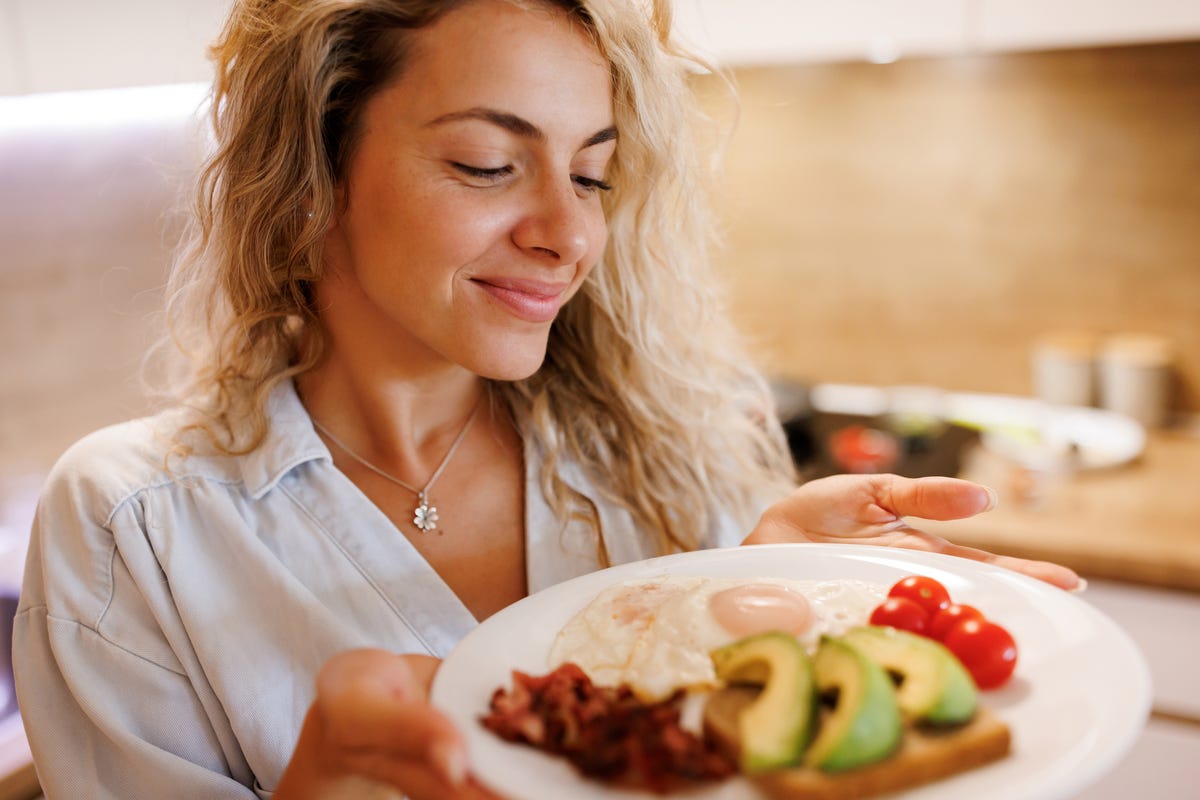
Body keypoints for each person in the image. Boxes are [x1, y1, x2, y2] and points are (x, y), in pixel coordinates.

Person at [13, 1, 1080, 798]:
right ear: (315, 171)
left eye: (592, 175)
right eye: (487, 163)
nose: (567, 236)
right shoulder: (131, 526)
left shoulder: (682, 447)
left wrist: (767, 594)